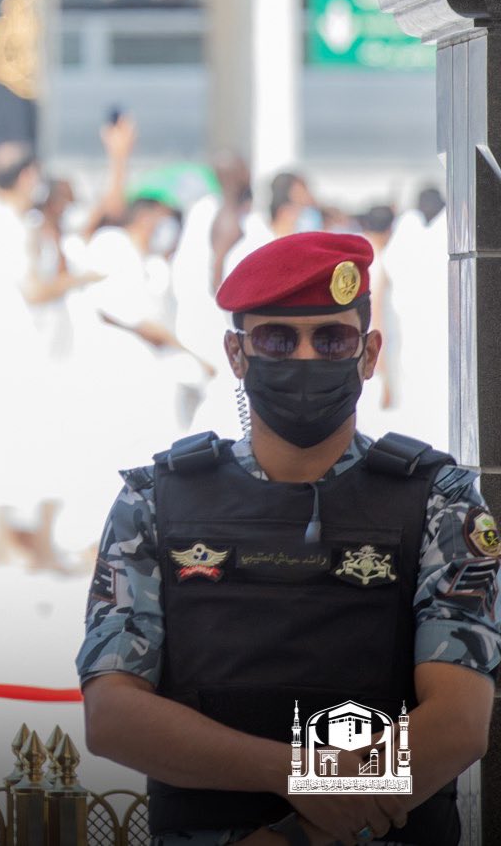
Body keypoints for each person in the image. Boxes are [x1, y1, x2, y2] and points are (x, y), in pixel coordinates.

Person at [78, 232, 497, 846]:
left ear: (369, 353)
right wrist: (297, 775)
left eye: (332, 339)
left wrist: (295, 835)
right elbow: (112, 714)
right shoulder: (154, 501)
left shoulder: (441, 499)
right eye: (277, 338)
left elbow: (458, 723)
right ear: (237, 353)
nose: (304, 358)